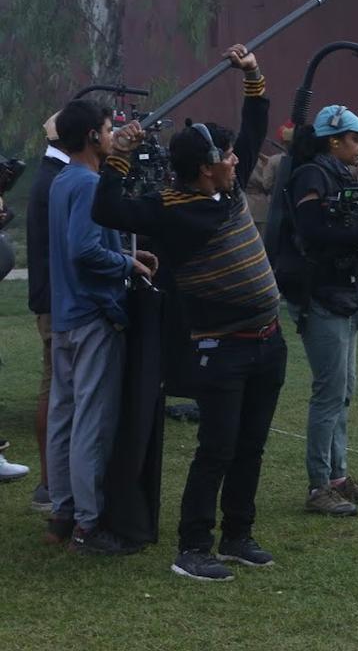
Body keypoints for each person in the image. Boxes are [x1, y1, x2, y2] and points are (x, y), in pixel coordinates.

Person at [92, 45, 287, 581]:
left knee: (251, 446)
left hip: (268, 341)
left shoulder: (226, 187)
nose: (235, 160)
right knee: (217, 450)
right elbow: (106, 207)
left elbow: (254, 123)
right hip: (221, 348)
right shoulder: (170, 213)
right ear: (204, 170)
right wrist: (119, 155)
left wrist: (252, 74)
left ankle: (238, 535)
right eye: (224, 158)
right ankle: (194, 548)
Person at [46, 98, 157, 554]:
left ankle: (62, 511)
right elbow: (84, 250)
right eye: (109, 128)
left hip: (66, 315)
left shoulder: (60, 181)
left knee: (64, 417)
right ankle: (89, 525)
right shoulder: (90, 184)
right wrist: (129, 263)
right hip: (93, 315)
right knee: (91, 421)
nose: (112, 134)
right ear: (93, 135)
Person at [277, 104, 358, 516]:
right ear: (334, 140)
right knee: (329, 392)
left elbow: (339, 238)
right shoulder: (313, 175)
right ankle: (319, 485)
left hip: (340, 289)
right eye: (355, 139)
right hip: (319, 293)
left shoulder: (337, 174)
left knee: (343, 390)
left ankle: (338, 477)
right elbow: (313, 232)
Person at [26, 111, 69, 510]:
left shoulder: (51, 174)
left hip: (50, 298)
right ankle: (49, 482)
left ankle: (51, 481)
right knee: (55, 389)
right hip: (56, 303)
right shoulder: (56, 179)